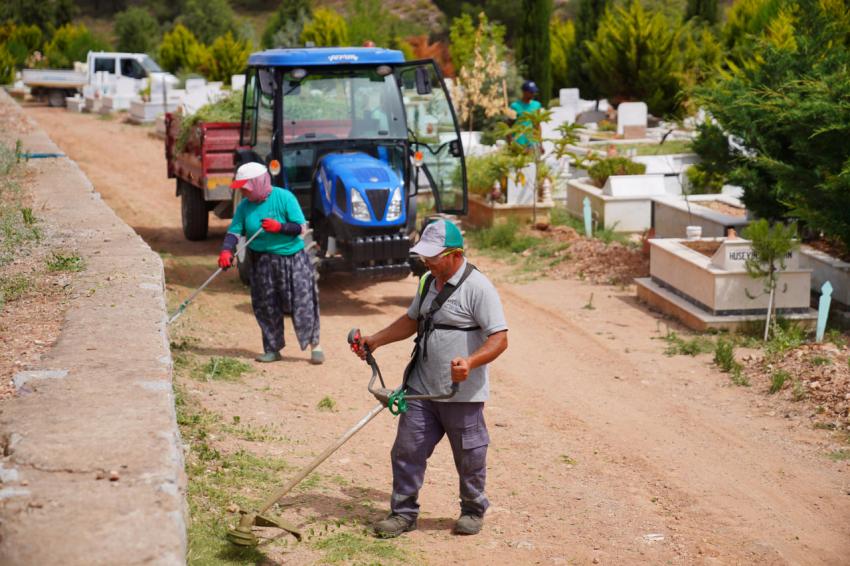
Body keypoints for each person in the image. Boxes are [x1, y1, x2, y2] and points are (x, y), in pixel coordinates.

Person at [351, 220, 509, 538]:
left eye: (433, 257)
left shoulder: (479, 287)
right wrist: (376, 339)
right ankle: (403, 513)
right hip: (421, 388)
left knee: (469, 455)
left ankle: (472, 509)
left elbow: (500, 338)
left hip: (461, 393)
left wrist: (471, 362)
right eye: (424, 255)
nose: (426, 262)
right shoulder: (427, 281)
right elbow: (413, 320)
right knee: (407, 449)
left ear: (455, 254)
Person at [218, 161, 323, 364]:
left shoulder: (284, 197)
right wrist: (226, 250)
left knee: (302, 302)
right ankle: (272, 348)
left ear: (258, 183)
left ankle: (315, 345)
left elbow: (300, 228)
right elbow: (234, 231)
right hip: (261, 262)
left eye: (246, 188)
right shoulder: (244, 206)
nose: (243, 192)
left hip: (292, 260)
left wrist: (280, 227)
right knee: (266, 305)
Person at [509, 80, 542, 149]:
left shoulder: (537, 105)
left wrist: (540, 144)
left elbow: (537, 125)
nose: (533, 94)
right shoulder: (514, 106)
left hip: (532, 143)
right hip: (518, 143)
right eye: (531, 92)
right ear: (524, 92)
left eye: (534, 92)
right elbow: (509, 126)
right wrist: (510, 143)